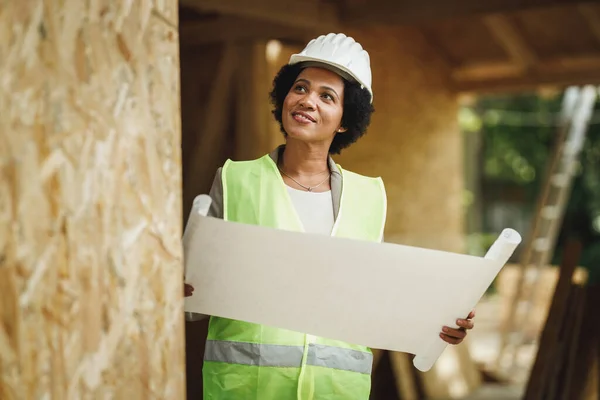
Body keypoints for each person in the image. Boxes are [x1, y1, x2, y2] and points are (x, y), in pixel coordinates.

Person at [185, 33, 475, 400]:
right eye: (300, 88)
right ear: (284, 97)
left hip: (337, 392)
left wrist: (437, 323)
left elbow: (373, 299)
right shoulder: (234, 180)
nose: (307, 100)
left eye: (327, 96)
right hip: (247, 390)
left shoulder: (369, 198)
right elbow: (192, 295)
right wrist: (177, 286)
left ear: (343, 121)